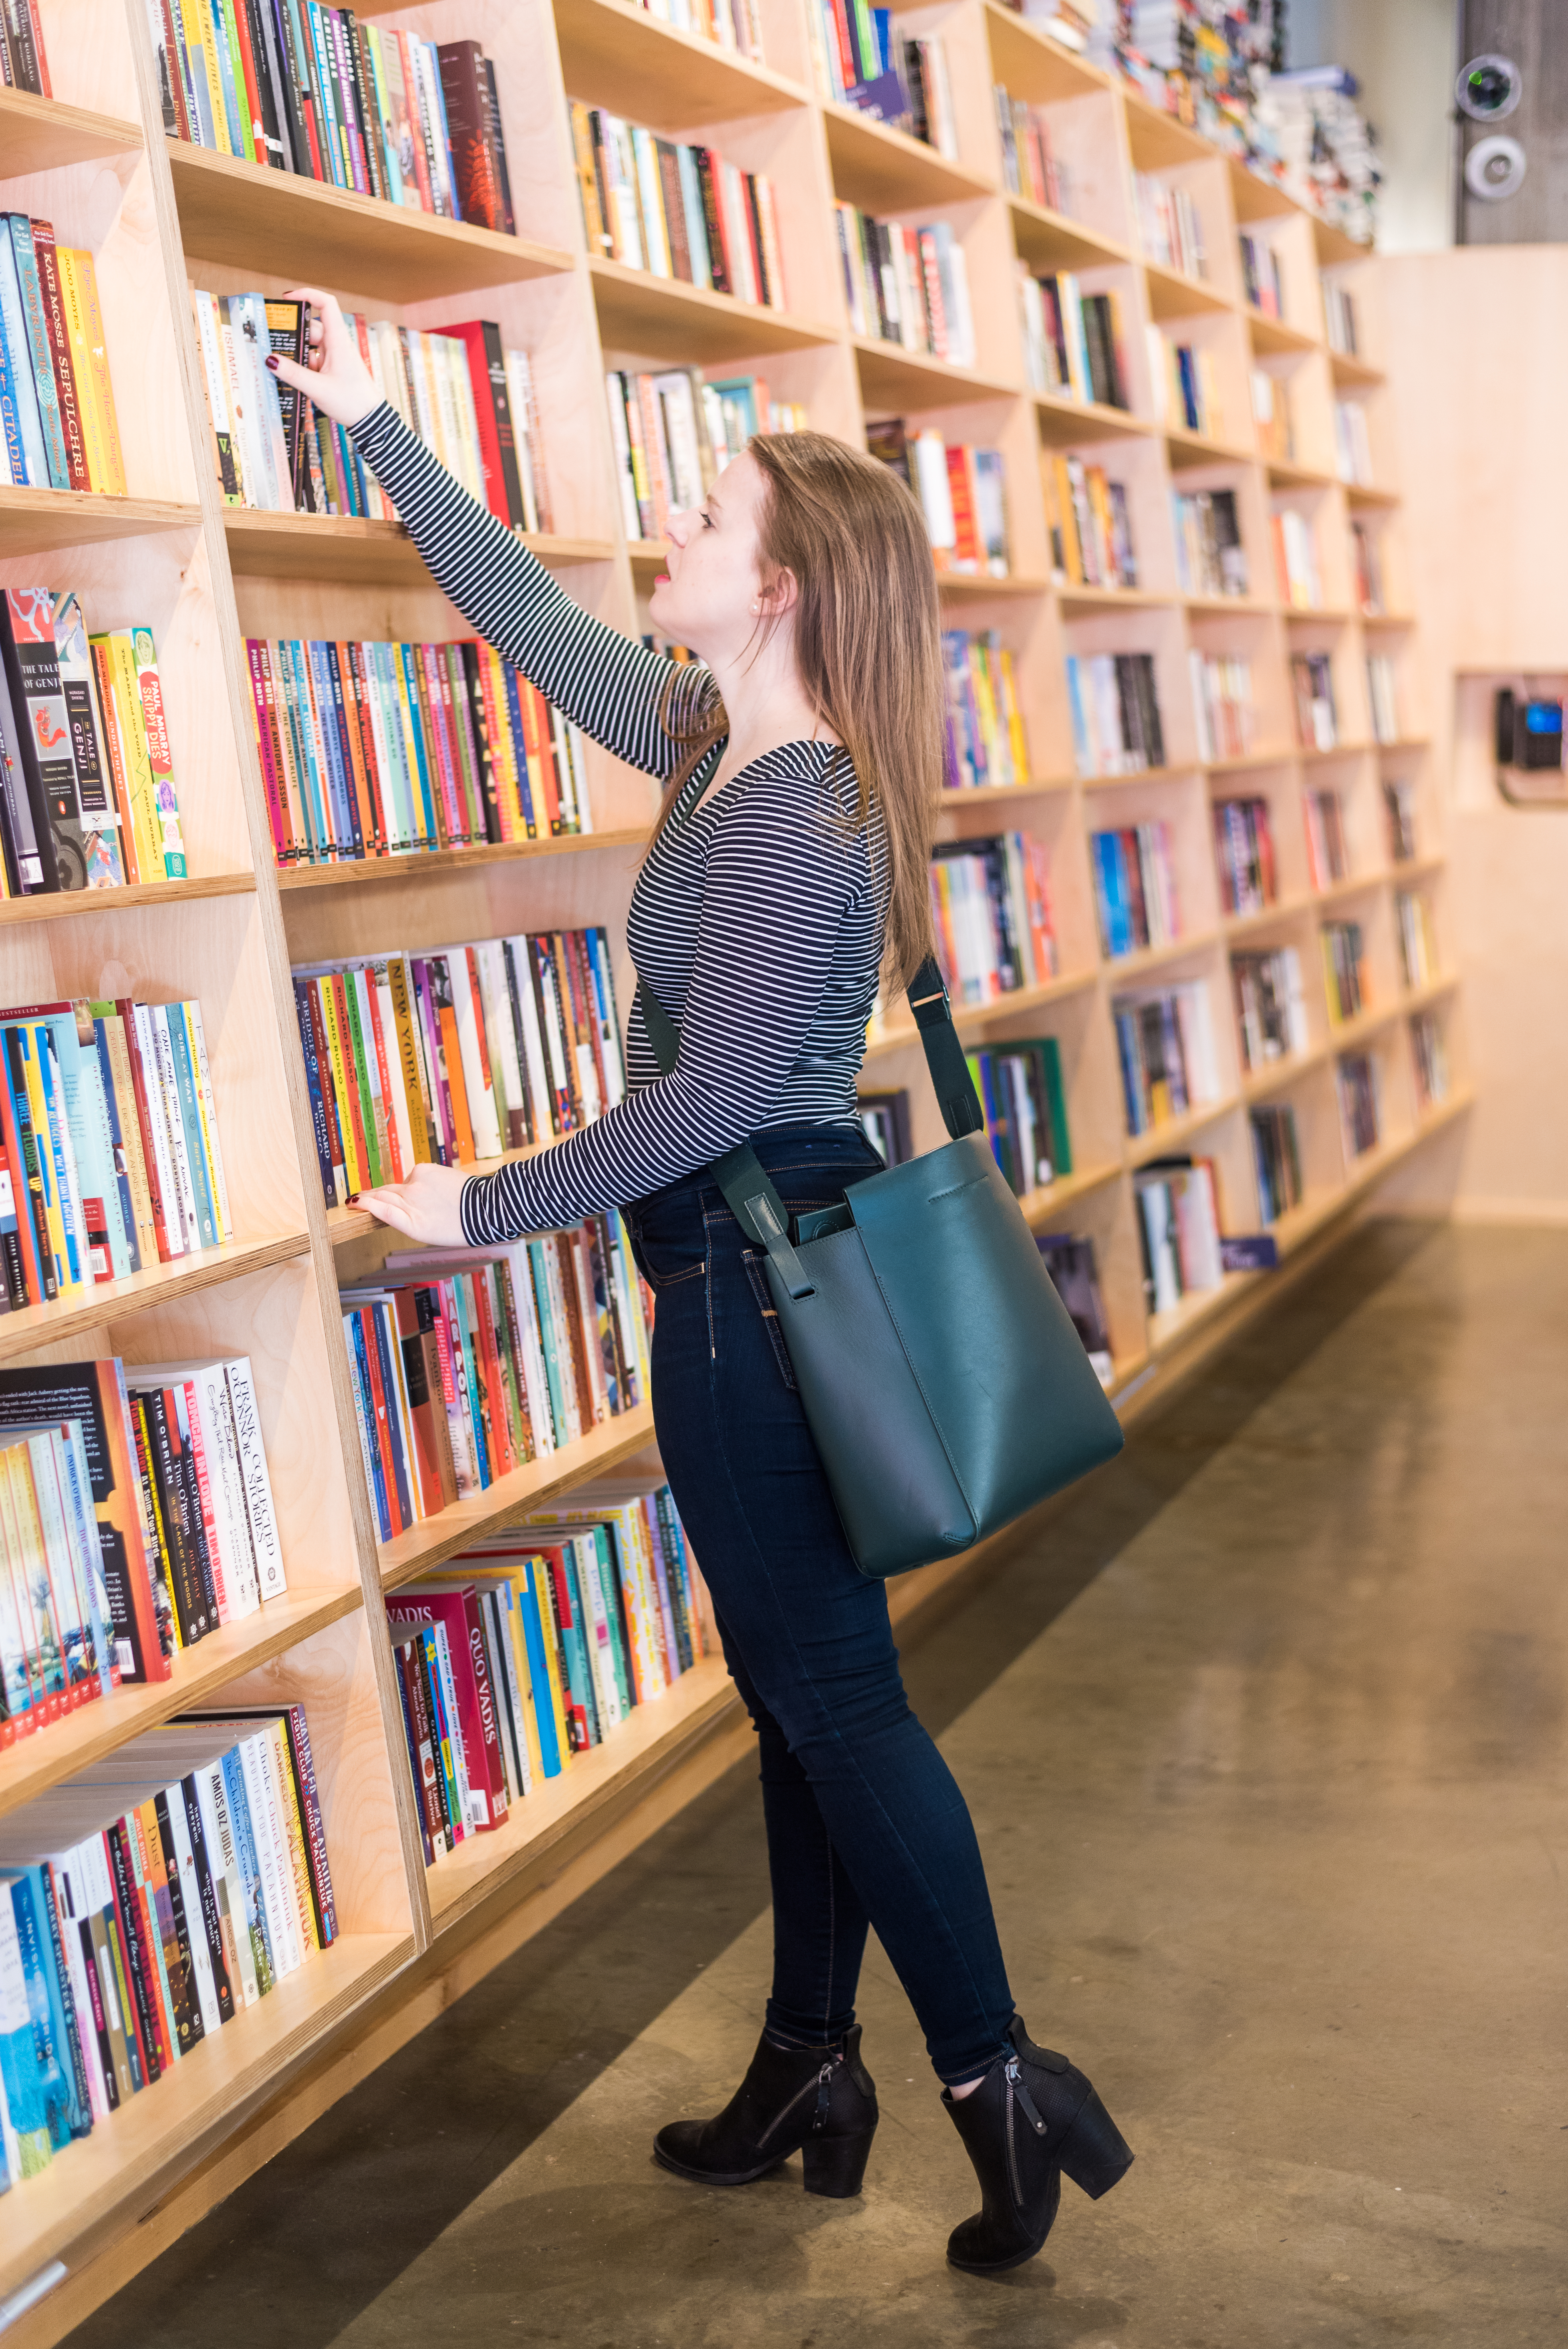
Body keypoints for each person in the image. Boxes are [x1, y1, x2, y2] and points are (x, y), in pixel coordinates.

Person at [270, 296, 1133, 2273]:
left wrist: (481, 1202)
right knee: (802, 1697)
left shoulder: (796, 814)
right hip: (759, 1278)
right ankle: (809, 2063)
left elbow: (727, 1090)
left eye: (707, 509)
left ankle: (1001, 2079)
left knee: (835, 1695)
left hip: (756, 1298)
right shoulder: (720, 738)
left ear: (777, 585)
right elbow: (543, 632)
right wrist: (390, 430)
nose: (670, 520)